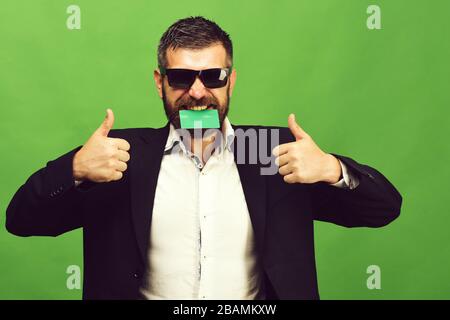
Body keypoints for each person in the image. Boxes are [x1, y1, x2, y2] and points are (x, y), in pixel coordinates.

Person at [5, 16, 402, 300]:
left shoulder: (270, 153)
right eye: (181, 78)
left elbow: (384, 208)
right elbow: (20, 220)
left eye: (212, 76)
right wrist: (73, 169)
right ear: (160, 82)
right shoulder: (118, 158)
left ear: (231, 80)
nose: (197, 93)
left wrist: (333, 170)